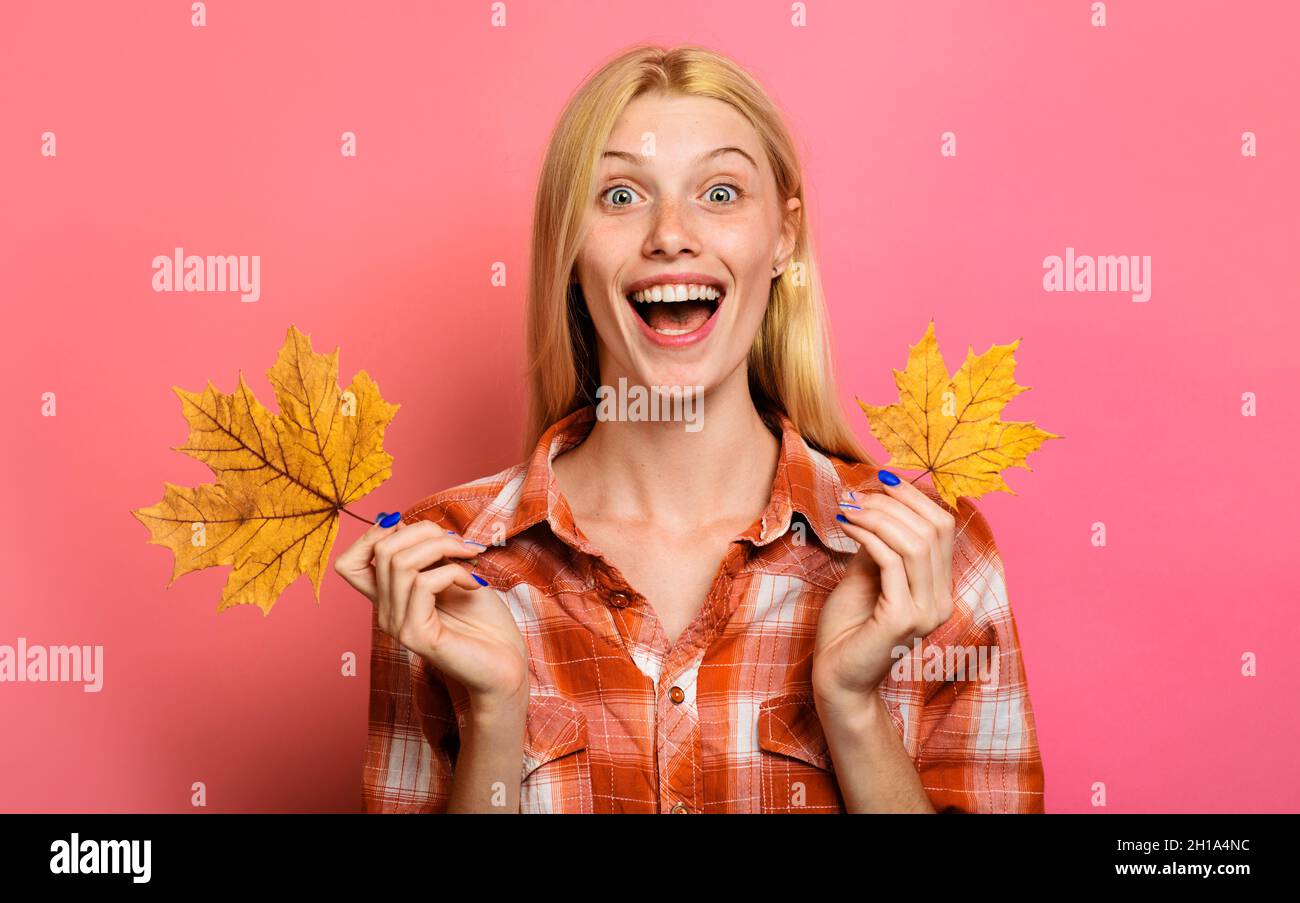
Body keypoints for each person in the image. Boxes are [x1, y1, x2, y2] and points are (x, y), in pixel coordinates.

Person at [335, 44, 1045, 814]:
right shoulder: (444, 568)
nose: (671, 234)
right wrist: (494, 712)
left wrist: (852, 709)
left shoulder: (929, 560)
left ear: (783, 237)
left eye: (718, 191)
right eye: (619, 197)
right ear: (569, 248)